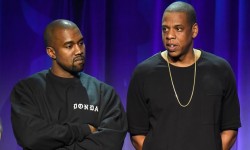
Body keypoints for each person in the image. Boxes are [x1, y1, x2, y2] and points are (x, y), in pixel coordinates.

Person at [127, 1, 241, 150]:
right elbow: (137, 134)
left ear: (194, 30)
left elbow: (230, 128)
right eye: (165, 29)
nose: (169, 36)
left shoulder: (220, 70)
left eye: (178, 29)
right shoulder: (143, 74)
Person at [11, 19, 127, 150]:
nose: (79, 51)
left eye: (81, 43)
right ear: (51, 52)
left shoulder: (104, 93)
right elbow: (30, 136)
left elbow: (110, 143)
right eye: (69, 46)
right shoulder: (27, 90)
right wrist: (83, 130)